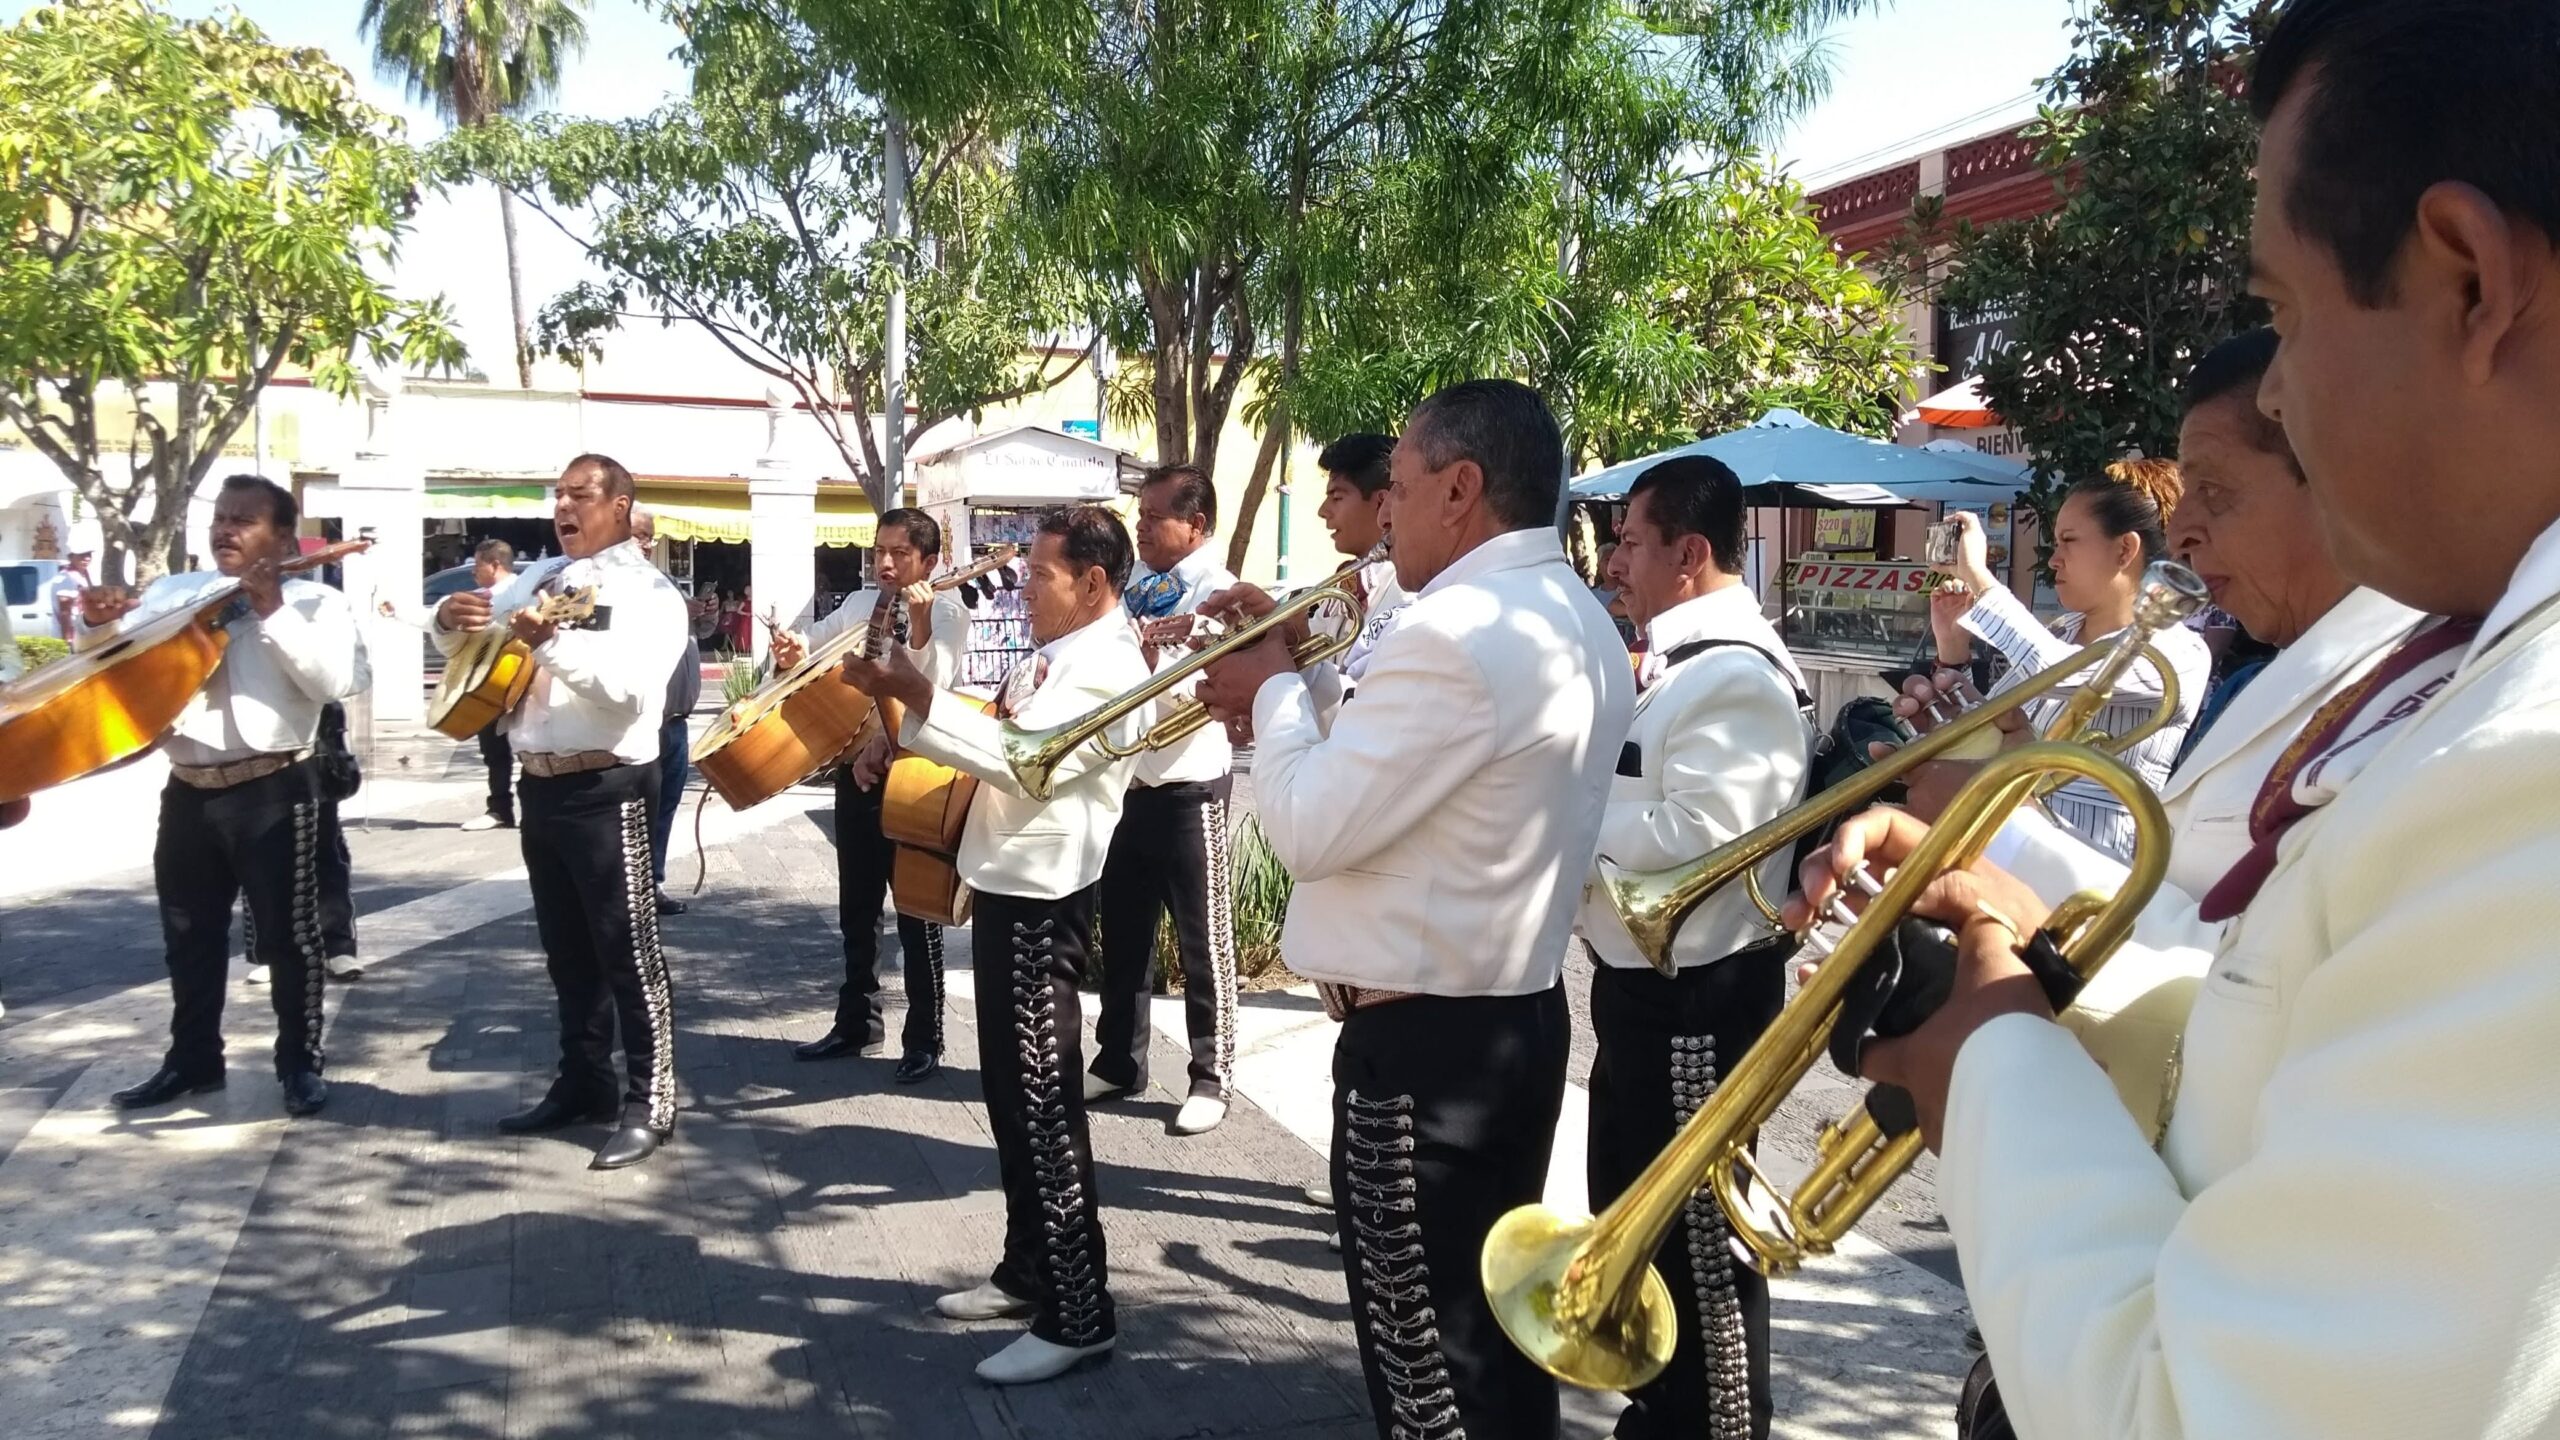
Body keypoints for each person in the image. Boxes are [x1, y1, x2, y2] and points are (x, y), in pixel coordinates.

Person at [1794, 4, 2560, 1435]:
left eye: (2281, 315)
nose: (2274, 384)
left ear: (2466, 277)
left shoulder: (2527, 758)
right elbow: (2271, 999)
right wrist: (2006, 907)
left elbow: (2204, 1414)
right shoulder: (2473, 668)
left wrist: (1987, 1048)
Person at [1194, 379, 1636, 1440]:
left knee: (1426, 1376)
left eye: (1394, 488)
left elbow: (1307, 827)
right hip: (1506, 1024)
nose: (1382, 514)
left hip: (1423, 1052)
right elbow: (1418, 774)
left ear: (1461, 488)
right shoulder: (1568, 613)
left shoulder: (1457, 629)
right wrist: (1299, 672)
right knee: (1490, 1358)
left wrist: (1265, 692)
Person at [839, 504, 1151, 1386]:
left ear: (1092, 583)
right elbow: (1005, 725)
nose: (1025, 585)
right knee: (1013, 1098)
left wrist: (915, 696)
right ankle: (1027, 1271)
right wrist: (908, 726)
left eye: (1040, 573)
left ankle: (1080, 1312)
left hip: (1044, 901)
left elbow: (1026, 757)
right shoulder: (1072, 650)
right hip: (1015, 886)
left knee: (1044, 1107)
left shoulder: (1107, 663)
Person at [1574, 455, 1812, 1440]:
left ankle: (1710, 1423)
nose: (1617, 561)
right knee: (1641, 1228)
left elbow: (1699, 841)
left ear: (1690, 551)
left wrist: (1565, 821)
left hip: (1695, 998)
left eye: (1631, 541)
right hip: (1650, 993)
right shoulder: (1682, 662)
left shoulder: (1733, 676)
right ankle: (1663, 1409)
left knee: (1699, 1251)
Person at [437, 455, 689, 1170]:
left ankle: (651, 1102)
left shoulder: (648, 592)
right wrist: (445, 621)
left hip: (608, 789)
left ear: (620, 505)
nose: (563, 507)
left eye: (580, 495)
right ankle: (583, 1081)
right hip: (540, 786)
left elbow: (632, 692)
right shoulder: (542, 578)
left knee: (628, 953)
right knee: (566, 954)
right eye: (558, 496)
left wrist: (550, 644)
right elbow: (478, 645)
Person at [85, 476, 363, 1119]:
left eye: (245, 520)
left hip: (275, 788)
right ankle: (192, 1060)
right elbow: (114, 665)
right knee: (188, 934)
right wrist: (97, 628)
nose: (226, 530)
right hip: (189, 789)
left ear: (283, 537)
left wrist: (271, 610)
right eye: (222, 518)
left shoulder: (316, 602)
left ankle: (299, 1062)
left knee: (291, 938)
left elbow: (331, 682)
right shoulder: (175, 593)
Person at [1927, 461, 2212, 862]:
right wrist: (1953, 653)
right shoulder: (2061, 630)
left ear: (2124, 550)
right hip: (2005, 845)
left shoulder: (2180, 651)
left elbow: (2058, 673)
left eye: (2069, 541)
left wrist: (1977, 574)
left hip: (2088, 868)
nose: (2054, 559)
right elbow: (1996, 722)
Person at [774, 507, 966, 1081]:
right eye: (879, 550)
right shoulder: (860, 604)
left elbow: (935, 685)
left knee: (916, 909)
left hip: (914, 780)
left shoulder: (951, 612)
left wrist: (924, 621)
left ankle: (925, 1037)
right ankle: (857, 1020)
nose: (884, 562)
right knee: (857, 908)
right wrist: (791, 650)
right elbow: (814, 646)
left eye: (900, 554)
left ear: (930, 562)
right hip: (856, 773)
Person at [1090, 464, 1243, 1135]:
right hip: (1131, 781)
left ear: (1197, 525)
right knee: (1123, 931)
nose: (1142, 527)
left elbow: (1217, 680)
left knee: (1202, 940)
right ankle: (1120, 1058)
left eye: (1155, 517)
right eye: (1141, 515)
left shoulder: (1223, 591)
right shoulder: (1140, 588)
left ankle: (1212, 1075)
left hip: (1190, 782)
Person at [629, 509, 699, 916]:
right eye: (640, 536)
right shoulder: (617, 588)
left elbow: (695, 635)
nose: (647, 545)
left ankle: (651, 883)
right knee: (639, 810)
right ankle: (634, 892)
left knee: (665, 807)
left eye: (650, 537)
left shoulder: (664, 582)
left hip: (676, 724)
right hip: (644, 724)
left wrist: (700, 616)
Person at [1314, 432, 1406, 685]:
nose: (1323, 511)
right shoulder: (1342, 585)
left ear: (1381, 502)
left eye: (1337, 497)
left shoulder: (1406, 591)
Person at [459, 539, 521, 833]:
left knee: (531, 746)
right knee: (494, 750)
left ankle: (530, 809)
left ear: (495, 565)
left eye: (477, 565)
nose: (473, 571)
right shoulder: (478, 597)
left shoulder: (523, 593)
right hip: (489, 684)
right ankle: (500, 809)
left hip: (521, 682)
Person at [47, 547, 89, 641]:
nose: (87, 558)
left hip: (81, 632)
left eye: (89, 554)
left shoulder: (82, 575)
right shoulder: (65, 578)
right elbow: (65, 612)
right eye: (82, 555)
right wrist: (68, 639)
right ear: (71, 557)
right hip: (71, 635)